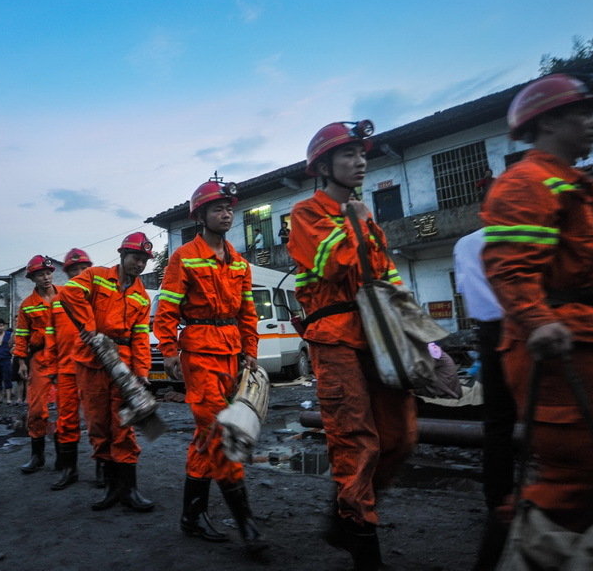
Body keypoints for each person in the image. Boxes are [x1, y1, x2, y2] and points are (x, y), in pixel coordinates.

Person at [482, 72, 593, 534]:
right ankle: (512, 551)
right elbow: (510, 268)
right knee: (575, 478)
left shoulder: (581, 191)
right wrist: (537, 321)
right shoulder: (526, 184)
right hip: (554, 345)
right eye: (582, 113)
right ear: (547, 122)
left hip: (592, 338)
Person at [287, 119, 413, 571]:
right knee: (356, 440)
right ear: (323, 166)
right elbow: (333, 263)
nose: (359, 162)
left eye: (362, 155)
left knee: (400, 437)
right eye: (348, 155)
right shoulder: (305, 214)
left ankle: (344, 511)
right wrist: (356, 223)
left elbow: (387, 275)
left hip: (382, 335)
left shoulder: (364, 215)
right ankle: (361, 538)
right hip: (334, 338)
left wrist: (421, 336)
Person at [154, 179, 266, 553]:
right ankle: (246, 521)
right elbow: (167, 310)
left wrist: (250, 349)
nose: (226, 213)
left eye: (229, 207)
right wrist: (169, 351)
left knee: (204, 440)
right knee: (220, 432)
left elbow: (248, 311)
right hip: (199, 354)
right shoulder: (183, 257)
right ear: (200, 215)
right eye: (217, 208)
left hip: (232, 353)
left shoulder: (238, 262)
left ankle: (192, 515)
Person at [60, 232, 155, 512]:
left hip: (122, 366)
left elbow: (140, 335)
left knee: (123, 426)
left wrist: (142, 371)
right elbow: (69, 293)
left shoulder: (141, 296)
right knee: (98, 424)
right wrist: (91, 329)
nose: (140, 264)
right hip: (91, 362)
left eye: (144, 260)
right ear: (122, 254)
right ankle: (111, 488)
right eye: (136, 257)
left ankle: (129, 490)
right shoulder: (96, 276)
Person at [453, 227, 517, 569]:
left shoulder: (466, 243)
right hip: (525, 326)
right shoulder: (528, 234)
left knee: (497, 423)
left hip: (490, 333)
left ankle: (498, 501)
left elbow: (466, 290)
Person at [47, 248, 94, 490]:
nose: (79, 274)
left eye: (83, 270)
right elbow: (51, 338)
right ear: (67, 275)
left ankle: (103, 469)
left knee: (98, 421)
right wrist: (50, 368)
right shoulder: (58, 302)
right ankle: (69, 470)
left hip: (93, 369)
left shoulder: (100, 298)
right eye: (74, 271)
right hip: (65, 369)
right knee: (66, 419)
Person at [13, 255, 59, 473]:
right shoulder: (27, 305)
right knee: (37, 408)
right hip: (39, 360)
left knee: (65, 408)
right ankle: (37, 456)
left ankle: (64, 457)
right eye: (41, 274)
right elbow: (21, 336)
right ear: (32, 278)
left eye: (48, 273)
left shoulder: (66, 297)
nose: (46, 277)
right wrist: (21, 362)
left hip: (63, 359)